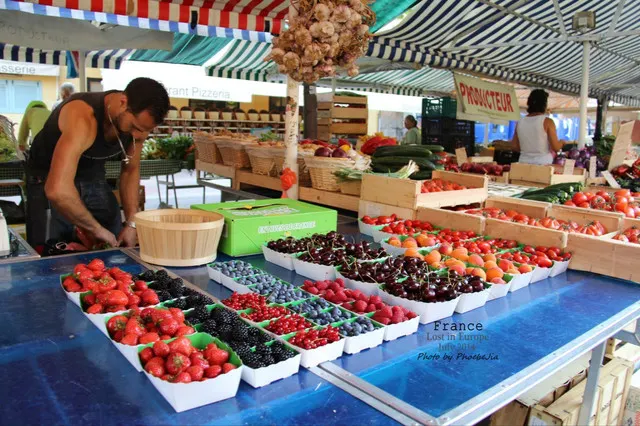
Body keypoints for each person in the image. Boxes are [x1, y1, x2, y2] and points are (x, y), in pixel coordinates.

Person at [26, 77, 170, 251]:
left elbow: (130, 171)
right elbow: (57, 190)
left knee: (114, 244)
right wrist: (95, 229)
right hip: (47, 178)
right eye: (135, 127)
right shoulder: (82, 116)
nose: (139, 135)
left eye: (144, 130)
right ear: (123, 102)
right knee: (53, 251)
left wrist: (132, 223)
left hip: (93, 177)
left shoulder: (139, 125)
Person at [511, 89, 563, 165]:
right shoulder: (547, 122)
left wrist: (527, 150)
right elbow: (556, 147)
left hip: (523, 163)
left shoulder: (520, 122)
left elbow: (515, 146)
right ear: (544, 104)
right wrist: (562, 142)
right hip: (543, 164)